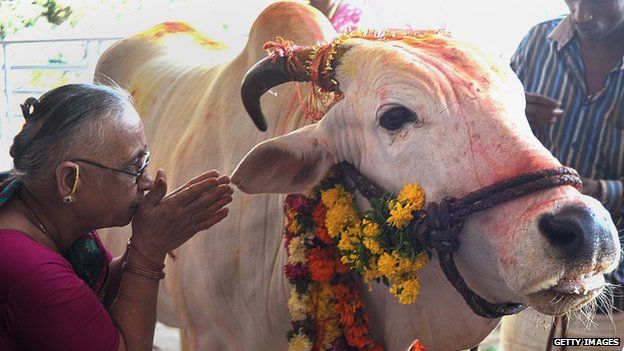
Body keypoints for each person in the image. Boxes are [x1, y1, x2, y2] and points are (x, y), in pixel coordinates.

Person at [0, 83, 233, 351]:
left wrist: (152, 241)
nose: (146, 181)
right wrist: (148, 252)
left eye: (145, 160)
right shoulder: (28, 268)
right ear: (69, 180)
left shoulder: (43, 210)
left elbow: (91, 300)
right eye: (134, 167)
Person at [501, 0, 624, 349]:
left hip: (609, 303)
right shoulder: (537, 42)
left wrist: (596, 191)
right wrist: (516, 111)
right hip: (532, 285)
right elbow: (493, 137)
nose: (582, 14)